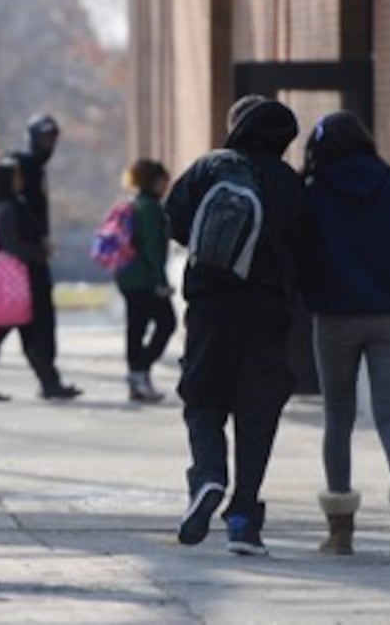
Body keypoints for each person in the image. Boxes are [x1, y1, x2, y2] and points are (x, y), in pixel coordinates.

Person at [164, 95, 303, 557]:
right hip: (268, 315)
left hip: (211, 308)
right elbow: (310, 249)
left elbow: (175, 222)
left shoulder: (212, 167)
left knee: (202, 401)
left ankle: (207, 476)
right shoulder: (291, 182)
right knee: (256, 417)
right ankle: (243, 521)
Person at [299, 111, 390, 559]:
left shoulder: (313, 192)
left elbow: (296, 249)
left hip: (335, 318)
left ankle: (340, 533)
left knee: (338, 420)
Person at [11, 114, 81, 399]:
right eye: (44, 138)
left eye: (52, 138)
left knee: (36, 322)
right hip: (25, 258)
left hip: (35, 256)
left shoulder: (36, 168)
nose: (48, 144)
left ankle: (48, 379)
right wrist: (33, 241)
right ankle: (47, 379)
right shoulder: (22, 164)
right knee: (30, 321)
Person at [0, 155, 44, 401]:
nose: (20, 181)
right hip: (9, 288)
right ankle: (48, 383)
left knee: (3, 338)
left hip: (0, 289)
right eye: (15, 177)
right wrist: (38, 252)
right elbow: (12, 245)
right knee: (12, 337)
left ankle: (48, 382)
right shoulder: (7, 210)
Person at [114, 158, 175, 403]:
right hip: (145, 279)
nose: (166, 187)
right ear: (154, 181)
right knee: (166, 323)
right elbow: (153, 247)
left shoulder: (134, 203)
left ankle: (137, 378)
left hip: (127, 275)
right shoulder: (150, 207)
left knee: (136, 328)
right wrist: (161, 280)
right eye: (163, 182)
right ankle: (140, 371)